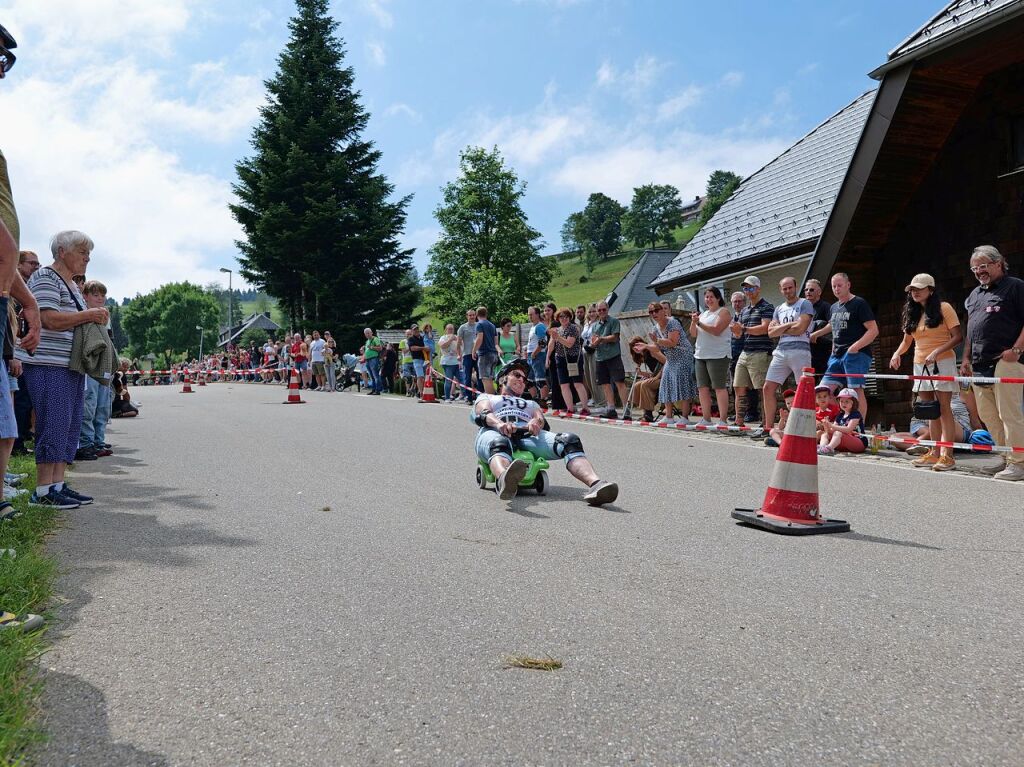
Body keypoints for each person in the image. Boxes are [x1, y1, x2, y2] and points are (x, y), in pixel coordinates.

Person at [14, 230, 105, 509]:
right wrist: (90, 314)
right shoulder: (46, 278)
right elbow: (49, 319)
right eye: (82, 251)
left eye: (88, 252)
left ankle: (56, 484)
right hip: (48, 364)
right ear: (62, 252)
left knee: (68, 426)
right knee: (52, 424)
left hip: (68, 365)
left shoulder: (73, 285)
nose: (87, 257)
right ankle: (43, 492)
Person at [471, 358, 618, 504]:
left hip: (526, 434)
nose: (522, 380)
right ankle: (505, 479)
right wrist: (499, 424)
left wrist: (535, 422)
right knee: (499, 443)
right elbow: (483, 412)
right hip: (495, 431)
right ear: (503, 378)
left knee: (569, 441)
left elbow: (539, 418)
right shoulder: (488, 397)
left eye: (525, 379)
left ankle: (596, 485)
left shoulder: (530, 403)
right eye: (517, 375)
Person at [961, 245, 1024, 481]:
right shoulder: (975, 294)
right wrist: (965, 358)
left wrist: (1017, 350)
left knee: (1010, 414)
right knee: (988, 415)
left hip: (1007, 360)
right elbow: (971, 330)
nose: (979, 271)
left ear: (999, 263)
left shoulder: (1015, 286)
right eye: (975, 268)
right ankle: (1006, 458)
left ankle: (1020, 462)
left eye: (984, 266)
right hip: (979, 363)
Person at [888, 273, 963, 471]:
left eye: (919, 288)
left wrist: (938, 351)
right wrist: (896, 354)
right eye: (912, 289)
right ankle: (934, 452)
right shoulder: (911, 312)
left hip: (943, 362)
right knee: (930, 410)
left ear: (931, 290)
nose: (915, 292)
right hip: (920, 364)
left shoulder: (944, 307)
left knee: (945, 408)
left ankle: (948, 454)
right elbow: (906, 342)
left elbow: (957, 337)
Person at [811, 272, 878, 420]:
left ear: (848, 285)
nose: (836, 289)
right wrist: (818, 334)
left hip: (857, 354)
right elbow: (833, 327)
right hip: (837, 355)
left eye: (839, 285)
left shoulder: (859, 303)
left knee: (855, 390)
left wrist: (855, 347)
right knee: (824, 390)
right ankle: (841, 420)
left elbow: (873, 330)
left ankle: (858, 427)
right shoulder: (834, 307)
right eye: (834, 286)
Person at [764, 277, 814, 436]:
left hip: (800, 351)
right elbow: (771, 333)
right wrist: (788, 325)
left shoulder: (804, 304)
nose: (788, 291)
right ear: (781, 290)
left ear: (795, 287)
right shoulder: (778, 308)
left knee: (804, 390)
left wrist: (781, 327)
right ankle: (768, 427)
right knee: (767, 388)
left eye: (790, 288)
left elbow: (800, 329)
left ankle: (804, 427)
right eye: (784, 288)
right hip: (781, 351)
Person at [77, 280, 116, 460]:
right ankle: (86, 443)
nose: (100, 298)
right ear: (85, 296)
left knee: (102, 406)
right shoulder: (83, 315)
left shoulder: (105, 317)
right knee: (89, 405)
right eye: (95, 295)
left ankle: (99, 441)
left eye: (102, 295)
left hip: (104, 367)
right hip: (90, 368)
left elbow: (109, 343)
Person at [730, 276, 774, 429]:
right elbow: (740, 334)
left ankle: (765, 424)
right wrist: (736, 331)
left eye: (751, 288)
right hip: (745, 351)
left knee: (762, 389)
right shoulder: (744, 310)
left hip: (761, 352)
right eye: (746, 288)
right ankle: (739, 423)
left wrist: (743, 329)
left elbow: (765, 328)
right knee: (738, 386)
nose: (748, 291)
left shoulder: (767, 307)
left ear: (758, 289)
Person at [640, 302, 695, 424]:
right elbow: (657, 348)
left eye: (656, 310)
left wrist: (657, 340)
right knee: (665, 384)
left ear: (663, 311)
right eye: (651, 312)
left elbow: (673, 342)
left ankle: (685, 417)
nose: (654, 313)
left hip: (683, 356)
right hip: (671, 359)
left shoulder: (672, 322)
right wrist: (645, 346)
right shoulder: (655, 328)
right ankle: (669, 416)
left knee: (684, 384)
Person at [690, 287, 731, 426]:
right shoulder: (703, 314)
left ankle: (723, 420)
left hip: (718, 354)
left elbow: (716, 330)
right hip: (701, 354)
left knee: (719, 387)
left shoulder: (723, 312)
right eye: (706, 297)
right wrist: (693, 321)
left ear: (718, 298)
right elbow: (694, 334)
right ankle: (706, 418)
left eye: (711, 296)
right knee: (702, 388)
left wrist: (699, 323)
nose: (708, 299)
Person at [589, 300, 629, 419]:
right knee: (605, 384)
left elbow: (615, 337)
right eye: (599, 310)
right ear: (597, 311)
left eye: (603, 309)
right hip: (600, 357)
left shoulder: (614, 321)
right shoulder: (595, 325)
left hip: (613, 356)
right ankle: (611, 408)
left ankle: (626, 409)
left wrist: (600, 339)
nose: (601, 312)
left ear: (607, 310)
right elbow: (594, 340)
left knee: (619, 383)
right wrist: (593, 344)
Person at [548, 307, 590, 416]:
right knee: (564, 385)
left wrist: (557, 337)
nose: (563, 319)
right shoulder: (557, 330)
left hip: (573, 358)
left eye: (566, 316)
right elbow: (551, 345)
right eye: (561, 317)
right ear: (558, 318)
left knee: (577, 383)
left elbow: (569, 343)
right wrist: (547, 357)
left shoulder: (573, 328)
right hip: (560, 359)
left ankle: (585, 407)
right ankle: (570, 408)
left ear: (569, 317)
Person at [728, 291, 759, 423]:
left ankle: (752, 413)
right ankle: (738, 414)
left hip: (749, 352)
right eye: (734, 301)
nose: (737, 304)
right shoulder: (730, 319)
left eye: (739, 301)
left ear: (744, 302)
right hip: (735, 355)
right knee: (737, 386)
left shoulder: (748, 315)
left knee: (751, 386)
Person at [818, 387, 866, 455]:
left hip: (859, 442)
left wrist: (832, 425)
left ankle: (829, 448)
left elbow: (848, 429)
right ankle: (822, 448)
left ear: (854, 402)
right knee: (825, 434)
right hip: (844, 442)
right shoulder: (840, 415)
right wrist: (827, 425)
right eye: (841, 401)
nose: (844, 404)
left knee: (838, 433)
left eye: (847, 401)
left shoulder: (855, 414)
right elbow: (832, 430)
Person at [627, 334, 662, 422]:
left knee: (645, 385)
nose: (635, 349)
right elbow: (653, 373)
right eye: (633, 347)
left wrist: (656, 377)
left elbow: (664, 363)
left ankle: (648, 414)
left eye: (636, 345)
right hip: (657, 376)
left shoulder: (651, 351)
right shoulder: (643, 356)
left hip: (664, 376)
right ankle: (645, 412)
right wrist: (642, 373)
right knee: (637, 385)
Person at [805, 278, 833, 375]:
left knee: (825, 384)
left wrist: (815, 334)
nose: (808, 292)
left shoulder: (825, 306)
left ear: (819, 292)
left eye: (811, 290)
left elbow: (833, 324)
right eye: (806, 289)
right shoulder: (802, 308)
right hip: (806, 352)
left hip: (823, 352)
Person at [580, 304, 605, 410]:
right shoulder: (586, 324)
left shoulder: (599, 324)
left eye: (594, 311)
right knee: (588, 376)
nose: (592, 314)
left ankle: (601, 401)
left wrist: (591, 346)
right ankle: (594, 397)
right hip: (585, 351)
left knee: (595, 375)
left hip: (594, 351)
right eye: (590, 312)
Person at [472, 306, 499, 395]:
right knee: (490, 378)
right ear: (486, 314)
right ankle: (494, 397)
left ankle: (491, 400)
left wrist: (474, 350)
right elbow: (496, 342)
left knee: (485, 378)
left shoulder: (479, 324)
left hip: (484, 354)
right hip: (494, 354)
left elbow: (479, 338)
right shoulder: (492, 325)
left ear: (476, 315)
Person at [524, 305, 548, 403]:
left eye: (531, 315)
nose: (530, 317)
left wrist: (534, 353)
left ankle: (543, 401)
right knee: (529, 381)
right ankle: (535, 399)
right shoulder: (533, 327)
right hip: (531, 355)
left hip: (538, 355)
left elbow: (543, 342)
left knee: (540, 379)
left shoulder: (540, 326)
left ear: (537, 314)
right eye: (529, 315)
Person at [457, 308, 479, 402]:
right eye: (470, 315)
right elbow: (458, 342)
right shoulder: (463, 327)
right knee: (467, 376)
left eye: (473, 315)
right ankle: (469, 397)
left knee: (480, 376)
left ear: (476, 315)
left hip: (478, 354)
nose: (472, 317)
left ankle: (480, 397)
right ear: (467, 316)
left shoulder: (479, 325)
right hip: (467, 354)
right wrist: (459, 354)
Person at [438, 323, 461, 401]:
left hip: (457, 362)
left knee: (462, 379)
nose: (451, 330)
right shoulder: (443, 338)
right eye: (449, 329)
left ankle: (465, 396)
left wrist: (457, 340)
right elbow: (442, 346)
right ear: (445, 330)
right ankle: (447, 397)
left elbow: (462, 347)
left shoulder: (457, 337)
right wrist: (450, 339)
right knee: (449, 380)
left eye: (452, 329)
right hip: (447, 362)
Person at [408, 324, 428, 401]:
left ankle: (425, 392)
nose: (416, 330)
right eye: (414, 329)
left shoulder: (422, 338)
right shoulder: (411, 339)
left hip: (425, 359)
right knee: (420, 377)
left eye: (417, 329)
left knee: (425, 377)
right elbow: (412, 348)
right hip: (417, 359)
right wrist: (423, 348)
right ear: (412, 331)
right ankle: (421, 393)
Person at [362, 328, 383, 395]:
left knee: (375, 375)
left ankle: (378, 390)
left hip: (374, 359)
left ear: (371, 333)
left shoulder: (375, 339)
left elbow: (380, 348)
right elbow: (366, 351)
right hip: (368, 360)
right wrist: (364, 358)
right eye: (366, 333)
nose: (367, 334)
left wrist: (372, 347)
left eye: (368, 333)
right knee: (371, 376)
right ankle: (373, 389)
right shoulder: (367, 341)